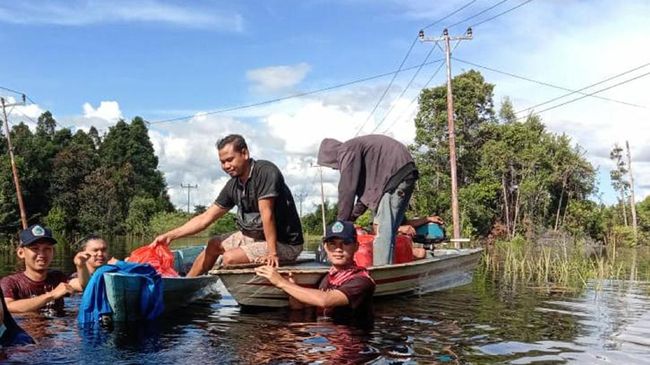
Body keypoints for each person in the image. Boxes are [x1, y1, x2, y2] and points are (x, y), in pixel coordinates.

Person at [151, 134, 304, 276]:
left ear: (244, 154)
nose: (226, 166)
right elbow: (206, 218)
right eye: (222, 162)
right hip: (255, 237)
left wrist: (272, 254)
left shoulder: (265, 172)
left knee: (229, 258)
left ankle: (226, 266)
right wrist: (170, 235)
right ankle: (187, 283)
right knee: (213, 245)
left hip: (283, 244)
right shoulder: (233, 185)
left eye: (230, 160)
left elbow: (267, 215)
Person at [317, 134, 418, 266]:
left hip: (395, 174)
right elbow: (365, 198)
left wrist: (341, 224)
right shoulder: (357, 151)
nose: (334, 168)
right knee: (390, 230)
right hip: (405, 172)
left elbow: (347, 189)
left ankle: (382, 273)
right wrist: (351, 219)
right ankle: (390, 265)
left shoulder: (346, 150)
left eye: (331, 165)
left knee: (382, 230)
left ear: (331, 157)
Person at [255, 220, 375, 327]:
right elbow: (302, 308)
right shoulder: (326, 278)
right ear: (325, 247)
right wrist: (292, 290)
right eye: (332, 243)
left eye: (346, 243)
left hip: (351, 347)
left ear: (356, 247)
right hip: (325, 340)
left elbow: (326, 300)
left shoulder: (362, 281)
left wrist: (281, 282)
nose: (338, 249)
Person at [0, 224, 90, 314]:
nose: (42, 254)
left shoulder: (57, 277)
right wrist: (51, 295)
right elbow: (7, 306)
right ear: (21, 253)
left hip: (58, 326)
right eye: (35, 248)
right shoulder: (10, 283)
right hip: (26, 326)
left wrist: (81, 266)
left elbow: (84, 286)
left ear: (53, 252)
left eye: (47, 249)